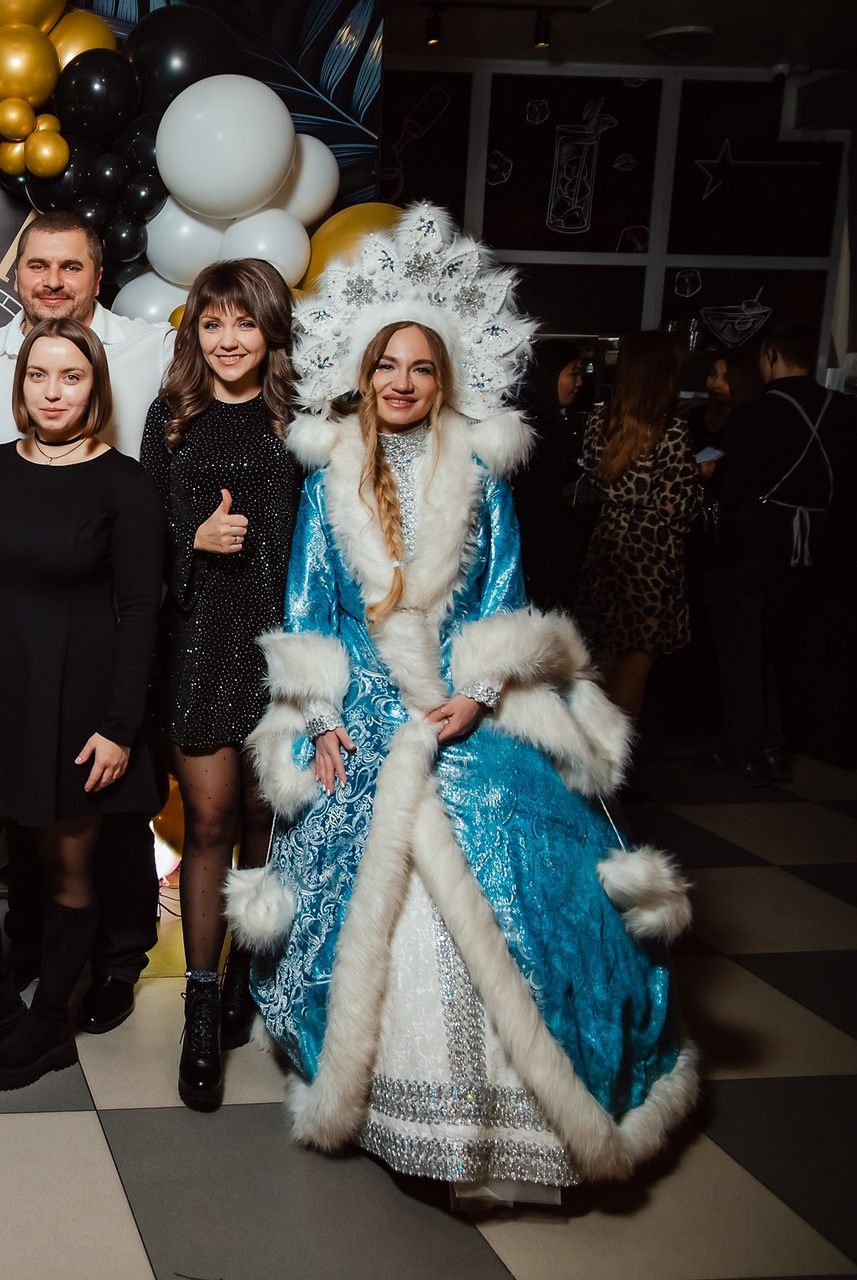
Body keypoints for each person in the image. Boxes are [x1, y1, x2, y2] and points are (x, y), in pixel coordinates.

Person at [245, 205, 695, 1198]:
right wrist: (325, 718)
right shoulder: (326, 488)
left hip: (461, 701)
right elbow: (308, 611)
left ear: (446, 379)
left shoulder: (484, 483)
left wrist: (478, 694)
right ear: (361, 375)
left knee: (509, 853)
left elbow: (503, 603)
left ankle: (517, 1113)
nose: (402, 383)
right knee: (366, 855)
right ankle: (402, 1110)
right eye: (385, 366)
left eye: (421, 368)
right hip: (363, 702)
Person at [0, 210, 173, 1032]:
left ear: (98, 275)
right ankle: (10, 985)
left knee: (102, 846)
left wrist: (121, 722)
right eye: (38, 265)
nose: (53, 280)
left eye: (70, 266)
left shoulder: (153, 356)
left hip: (85, 678)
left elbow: (142, 599)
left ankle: (95, 981)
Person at [138, 259, 300, 1110]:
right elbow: (137, 542)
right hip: (198, 644)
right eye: (212, 323)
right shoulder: (170, 418)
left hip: (282, 651)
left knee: (266, 822)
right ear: (194, 333)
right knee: (208, 820)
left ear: (271, 330)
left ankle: (246, 972)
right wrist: (190, 541)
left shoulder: (302, 417)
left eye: (245, 322)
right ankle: (201, 1008)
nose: (229, 339)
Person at [706, 321, 855, 783]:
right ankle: (772, 748)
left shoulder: (755, 413)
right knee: (767, 646)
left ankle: (744, 751)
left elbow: (732, 490)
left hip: (753, 544)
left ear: (770, 355)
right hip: (812, 545)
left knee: (741, 649)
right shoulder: (844, 409)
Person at [575, 331, 704, 721]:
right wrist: (698, 477)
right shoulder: (671, 430)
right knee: (636, 664)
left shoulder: (598, 421)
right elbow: (678, 510)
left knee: (601, 657)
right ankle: (617, 755)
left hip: (607, 544)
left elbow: (593, 480)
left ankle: (589, 748)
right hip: (651, 555)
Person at [510, 338, 589, 614]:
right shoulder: (533, 425)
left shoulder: (558, 418)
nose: (579, 382)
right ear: (549, 374)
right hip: (540, 549)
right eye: (573, 373)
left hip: (554, 547)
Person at [702, 344, 766, 442]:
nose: (715, 384)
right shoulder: (696, 415)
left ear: (744, 382)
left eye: (726, 379)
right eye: (713, 374)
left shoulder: (751, 425)